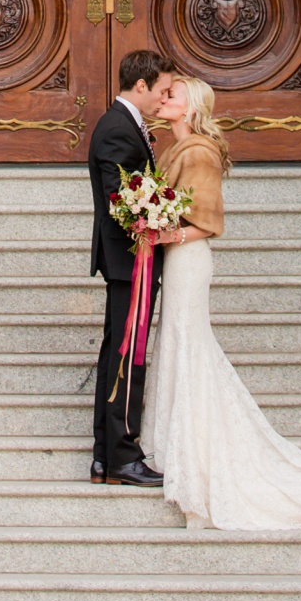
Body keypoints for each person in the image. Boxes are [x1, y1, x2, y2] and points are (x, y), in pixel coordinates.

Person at [143, 72, 301, 529]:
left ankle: (204, 458)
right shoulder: (173, 148)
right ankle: (174, 446)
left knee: (190, 347)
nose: (164, 96)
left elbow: (207, 223)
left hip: (189, 259)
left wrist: (158, 233)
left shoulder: (200, 152)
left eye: (174, 94)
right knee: (178, 345)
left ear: (192, 107)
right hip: (176, 259)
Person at [86, 49, 174, 486]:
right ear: (141, 85)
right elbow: (122, 199)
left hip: (128, 261)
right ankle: (123, 455)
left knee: (117, 353)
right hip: (130, 260)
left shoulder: (123, 124)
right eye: (162, 90)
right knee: (127, 356)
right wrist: (160, 219)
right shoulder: (118, 129)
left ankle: (105, 455)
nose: (164, 99)